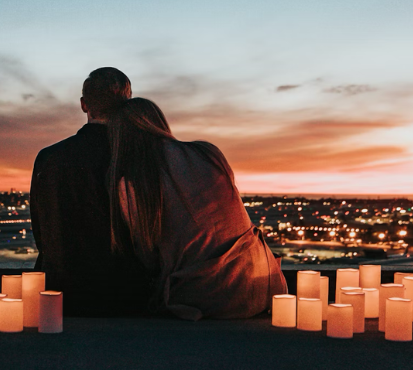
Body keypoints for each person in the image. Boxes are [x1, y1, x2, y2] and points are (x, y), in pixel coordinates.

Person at [107, 97, 287, 320]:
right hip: (265, 285)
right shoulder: (208, 153)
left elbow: (148, 258)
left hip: (206, 298)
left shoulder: (133, 183)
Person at [30, 68, 149, 315]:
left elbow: (43, 233)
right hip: (124, 295)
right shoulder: (139, 158)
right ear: (127, 103)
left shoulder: (48, 158)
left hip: (60, 294)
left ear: (84, 105)